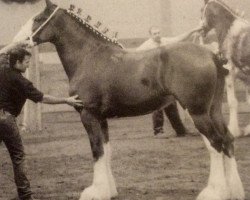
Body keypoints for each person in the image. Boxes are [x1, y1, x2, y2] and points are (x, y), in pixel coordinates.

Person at [0, 41, 83, 200]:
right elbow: (43, 98)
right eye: (26, 62)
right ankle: (25, 196)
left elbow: (3, 53)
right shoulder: (21, 81)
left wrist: (17, 43)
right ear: (17, 62)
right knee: (18, 157)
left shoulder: (3, 67)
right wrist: (66, 100)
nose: (28, 65)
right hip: (6, 120)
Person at [136, 26, 202, 136]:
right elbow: (135, 54)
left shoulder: (165, 41)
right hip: (154, 79)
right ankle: (158, 131)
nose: (157, 35)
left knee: (170, 102)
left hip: (167, 78)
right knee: (157, 104)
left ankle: (180, 130)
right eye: (154, 33)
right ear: (151, 35)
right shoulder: (147, 45)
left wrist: (193, 30)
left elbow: (179, 38)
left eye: (158, 33)